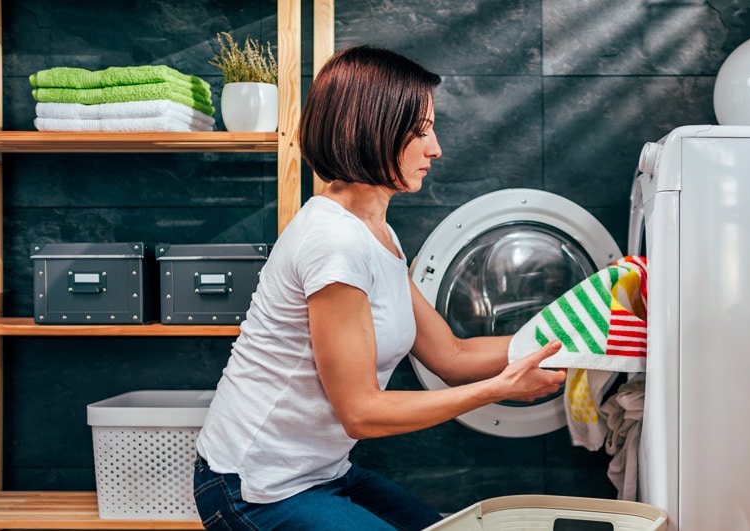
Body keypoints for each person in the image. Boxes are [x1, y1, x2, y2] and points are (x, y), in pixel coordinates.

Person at [192, 45, 567, 531]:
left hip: (320, 473)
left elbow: (451, 354)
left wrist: (574, 338)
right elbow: (361, 412)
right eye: (421, 131)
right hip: (252, 487)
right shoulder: (334, 242)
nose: (435, 148)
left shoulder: (380, 235)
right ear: (372, 130)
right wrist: (497, 390)